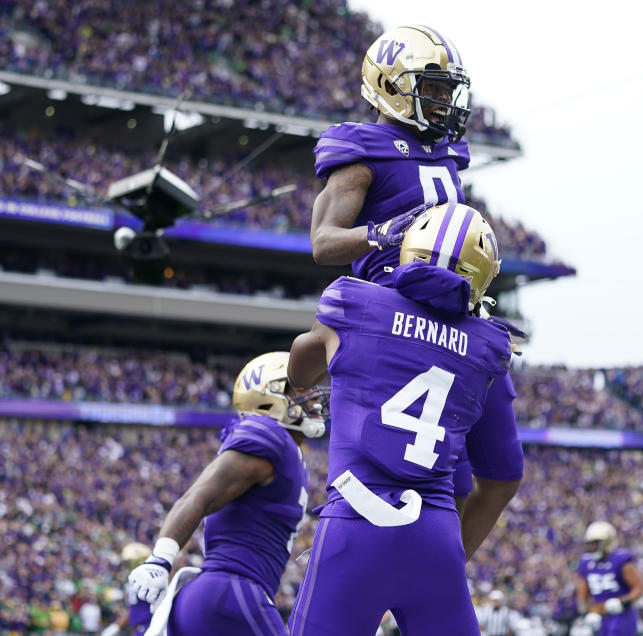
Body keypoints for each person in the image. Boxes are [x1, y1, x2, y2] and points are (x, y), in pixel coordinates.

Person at [308, 23, 523, 557]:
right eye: (431, 88)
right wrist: (381, 232)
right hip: (394, 311)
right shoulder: (361, 150)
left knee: (496, 474)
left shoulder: (448, 150)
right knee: (411, 468)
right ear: (389, 86)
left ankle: (447, 570)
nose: (443, 101)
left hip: (457, 311)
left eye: (448, 90)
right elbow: (322, 242)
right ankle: (350, 544)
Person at [285, 204, 513, 635]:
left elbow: (300, 367)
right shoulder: (489, 346)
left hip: (356, 521)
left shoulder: (355, 301)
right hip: (436, 532)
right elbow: (501, 478)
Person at [127, 352, 328, 635]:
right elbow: (199, 494)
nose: (314, 396)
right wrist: (160, 559)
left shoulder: (288, 452)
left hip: (220, 597)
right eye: (301, 388)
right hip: (231, 593)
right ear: (270, 397)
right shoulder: (269, 434)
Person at [575, 521, 643, 636]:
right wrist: (587, 613)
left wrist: (623, 602)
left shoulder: (621, 560)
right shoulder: (586, 563)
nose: (592, 547)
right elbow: (582, 597)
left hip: (622, 615)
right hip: (600, 615)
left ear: (606, 542)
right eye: (591, 543)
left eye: (596, 543)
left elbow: (639, 588)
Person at [101, 543, 153, 636]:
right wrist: (116, 626)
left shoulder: (147, 581)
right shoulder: (134, 582)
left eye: (127, 562)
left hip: (148, 626)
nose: (125, 566)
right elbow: (133, 608)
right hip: (140, 628)